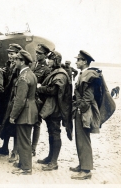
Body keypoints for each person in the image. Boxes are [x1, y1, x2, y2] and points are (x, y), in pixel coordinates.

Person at [70, 50, 115, 180]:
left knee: (83, 139)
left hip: (84, 111)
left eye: (78, 60)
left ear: (85, 61)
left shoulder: (89, 75)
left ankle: (86, 170)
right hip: (82, 110)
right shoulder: (84, 74)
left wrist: (80, 108)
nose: (76, 62)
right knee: (81, 139)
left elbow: (88, 97)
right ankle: (82, 164)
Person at [36, 51, 73, 171]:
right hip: (51, 107)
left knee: (55, 133)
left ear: (56, 60)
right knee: (51, 132)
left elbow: (53, 90)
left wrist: (40, 88)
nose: (48, 61)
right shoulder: (55, 72)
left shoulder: (61, 74)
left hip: (55, 109)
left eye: (50, 59)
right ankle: (50, 157)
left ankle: (54, 162)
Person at [10, 50, 38, 175]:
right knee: (23, 138)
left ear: (22, 61)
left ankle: (26, 168)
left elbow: (20, 100)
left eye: (16, 59)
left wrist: (13, 115)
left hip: (25, 112)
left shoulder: (23, 77)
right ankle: (22, 163)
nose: (14, 61)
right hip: (30, 110)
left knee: (24, 140)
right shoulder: (30, 74)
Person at [0, 43, 22, 163]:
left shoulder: (19, 67)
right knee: (5, 123)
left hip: (13, 99)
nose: (9, 56)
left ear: (18, 54)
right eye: (9, 54)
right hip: (6, 99)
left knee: (14, 125)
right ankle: (4, 147)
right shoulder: (8, 65)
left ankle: (15, 151)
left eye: (12, 54)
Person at [30, 43, 51, 156]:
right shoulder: (32, 65)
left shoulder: (46, 69)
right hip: (29, 98)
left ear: (45, 55)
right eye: (37, 53)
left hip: (38, 100)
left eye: (40, 53)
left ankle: (33, 148)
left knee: (36, 124)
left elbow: (45, 86)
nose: (37, 55)